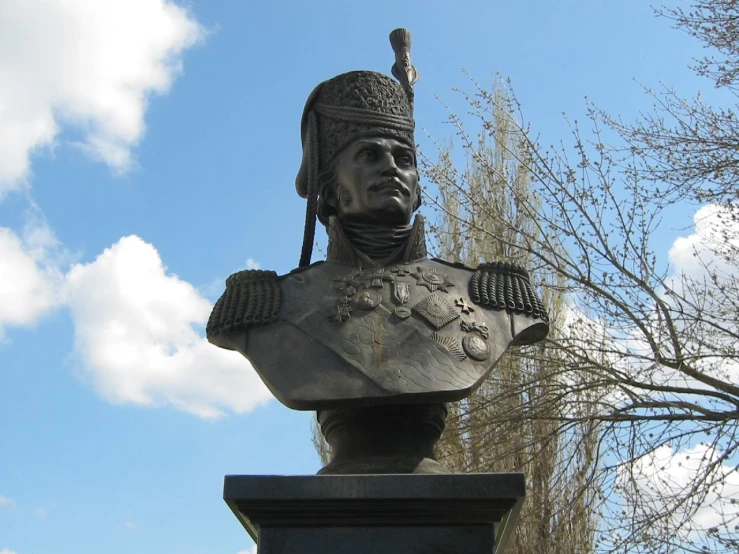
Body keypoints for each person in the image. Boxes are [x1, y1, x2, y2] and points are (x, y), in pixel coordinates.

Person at [206, 32, 548, 413]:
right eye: (369, 155)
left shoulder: (495, 297)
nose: (391, 167)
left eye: (404, 159)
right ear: (332, 190)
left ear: (418, 189)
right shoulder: (264, 305)